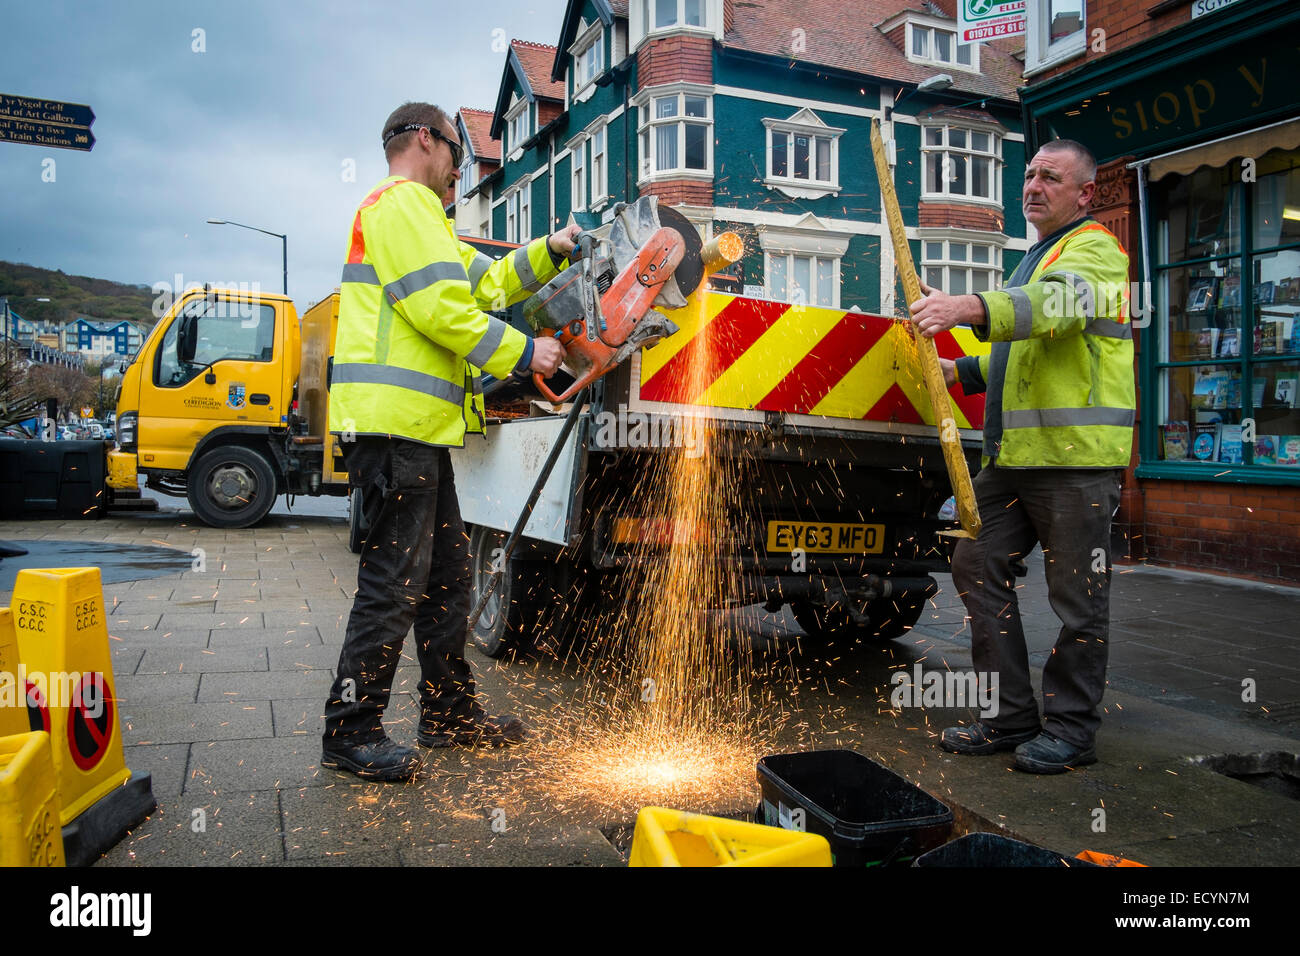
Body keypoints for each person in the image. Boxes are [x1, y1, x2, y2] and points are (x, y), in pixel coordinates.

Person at [321, 102, 574, 781]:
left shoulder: (420, 222)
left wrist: (552, 249)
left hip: (417, 437)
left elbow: (487, 280)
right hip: (394, 430)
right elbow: (444, 311)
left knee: (446, 582)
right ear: (426, 141)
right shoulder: (401, 205)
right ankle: (351, 730)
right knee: (393, 584)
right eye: (457, 161)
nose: (460, 175)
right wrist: (529, 353)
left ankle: (448, 712)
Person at [909, 138, 1133, 774]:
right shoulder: (1035, 258)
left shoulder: (1096, 249)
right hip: (1013, 459)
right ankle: (1008, 716)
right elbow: (1029, 349)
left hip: (1075, 462)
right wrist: (966, 372)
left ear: (1085, 194)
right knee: (975, 564)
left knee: (1078, 601)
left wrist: (967, 307)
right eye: (1030, 174)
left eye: (1051, 177)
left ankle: (1071, 731)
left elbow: (1056, 310)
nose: (1033, 186)